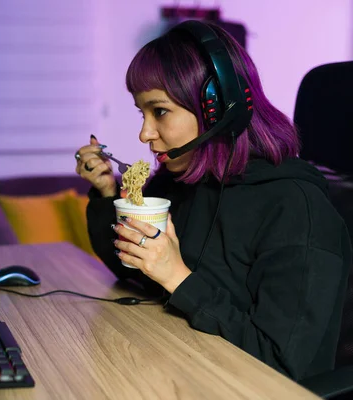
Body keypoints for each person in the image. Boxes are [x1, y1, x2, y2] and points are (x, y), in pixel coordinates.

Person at [74, 20, 352, 381]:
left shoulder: (296, 209)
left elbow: (280, 363)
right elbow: (136, 270)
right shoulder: (182, 181)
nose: (144, 134)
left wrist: (177, 277)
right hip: (183, 367)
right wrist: (106, 193)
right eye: (140, 113)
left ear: (216, 109)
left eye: (159, 111)